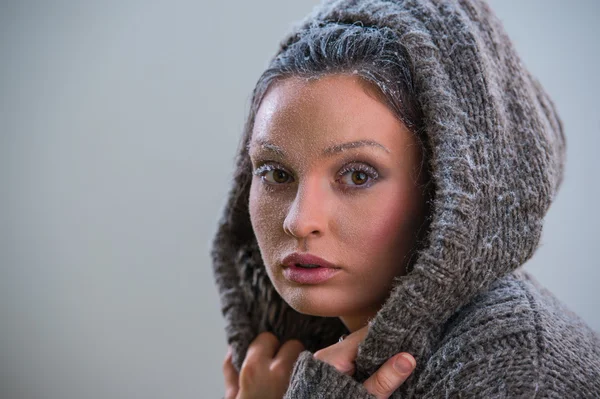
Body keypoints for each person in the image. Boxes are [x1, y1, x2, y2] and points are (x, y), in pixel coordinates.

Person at [211, 0, 600, 397]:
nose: (299, 220)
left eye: (358, 175)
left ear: (446, 191)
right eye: (276, 174)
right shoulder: (307, 357)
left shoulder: (520, 373)